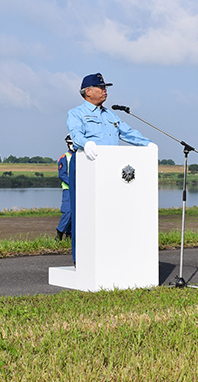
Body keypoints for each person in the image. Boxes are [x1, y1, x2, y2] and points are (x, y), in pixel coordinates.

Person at [65, 73, 154, 260]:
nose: (105, 91)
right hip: (86, 165)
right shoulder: (76, 113)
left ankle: (109, 255)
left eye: (106, 88)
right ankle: (80, 258)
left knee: (110, 212)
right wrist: (85, 143)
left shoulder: (111, 115)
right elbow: (75, 133)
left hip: (111, 168)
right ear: (88, 92)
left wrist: (147, 144)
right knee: (82, 212)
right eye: (101, 87)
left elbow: (127, 133)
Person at [56, 135, 75, 241]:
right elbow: (62, 175)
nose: (72, 145)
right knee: (68, 212)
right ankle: (59, 233)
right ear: (67, 144)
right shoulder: (64, 157)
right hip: (68, 189)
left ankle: (70, 234)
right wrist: (72, 184)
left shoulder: (81, 156)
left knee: (75, 214)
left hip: (79, 189)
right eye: (70, 143)